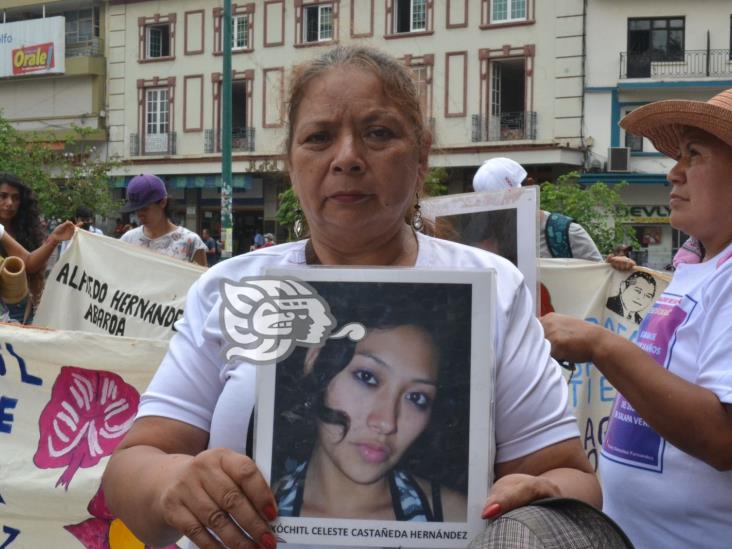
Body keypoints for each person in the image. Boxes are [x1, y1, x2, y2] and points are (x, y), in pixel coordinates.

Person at [103, 46, 600, 549]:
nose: (346, 158)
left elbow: (570, 480)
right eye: (319, 138)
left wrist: (539, 500)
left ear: (422, 154)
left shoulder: (494, 288)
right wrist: (172, 485)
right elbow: (132, 467)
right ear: (290, 164)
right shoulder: (231, 289)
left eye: (378, 133)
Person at [541, 88, 732, 549]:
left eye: (695, 155)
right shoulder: (698, 269)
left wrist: (600, 345)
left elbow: (723, 439)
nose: (674, 171)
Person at [273, 283, 470, 521]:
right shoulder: (253, 512)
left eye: (416, 398)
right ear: (316, 360)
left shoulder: (456, 516)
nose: (386, 422)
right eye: (367, 377)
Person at [473, 158, 604, 262]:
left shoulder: (566, 235)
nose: (504, 211)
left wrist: (619, 266)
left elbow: (598, 283)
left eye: (510, 200)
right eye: (495, 207)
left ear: (530, 187)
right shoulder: (483, 242)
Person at [119, 174, 207, 266]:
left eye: (145, 209)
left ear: (163, 202)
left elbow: (203, 279)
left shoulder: (191, 242)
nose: (140, 215)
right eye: (136, 210)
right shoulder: (128, 239)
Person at [0, 172, 50, 323]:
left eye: (15, 198)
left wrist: (39, 309)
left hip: (26, 312)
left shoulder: (29, 232)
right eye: (3, 196)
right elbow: (29, 263)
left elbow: (35, 272)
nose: (9, 203)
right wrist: (53, 241)